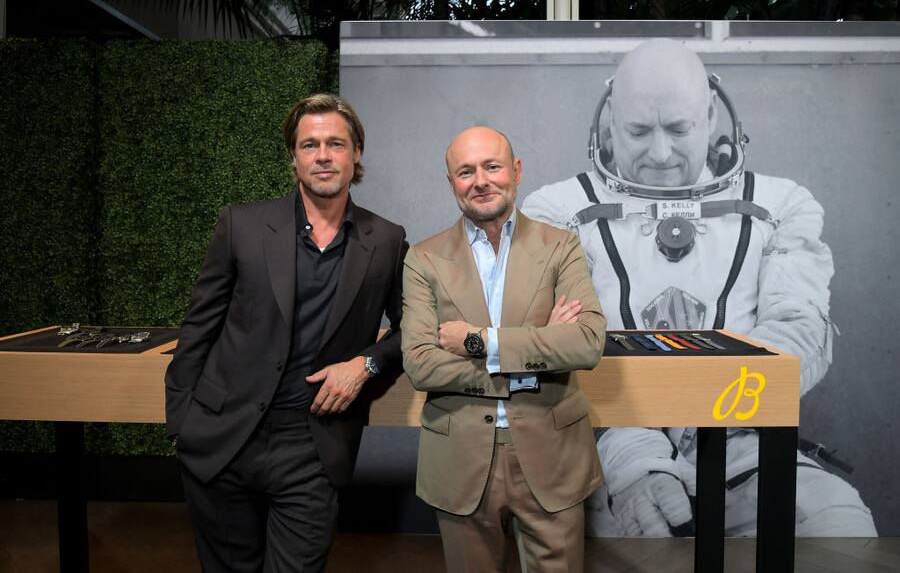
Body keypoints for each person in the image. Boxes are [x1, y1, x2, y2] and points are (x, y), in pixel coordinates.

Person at [522, 39, 876, 537]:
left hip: (741, 435)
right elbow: (556, 347)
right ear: (609, 123)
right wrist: (632, 452)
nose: (660, 152)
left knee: (837, 526)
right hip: (609, 440)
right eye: (638, 131)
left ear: (710, 115)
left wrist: (704, 412)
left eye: (679, 128)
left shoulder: (780, 206)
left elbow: (798, 332)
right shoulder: (556, 211)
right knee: (648, 541)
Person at [164, 93, 408, 571]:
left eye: (336, 143)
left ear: (356, 153)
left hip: (314, 444)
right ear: (294, 157)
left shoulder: (386, 239)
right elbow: (198, 328)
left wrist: (365, 364)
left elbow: (413, 327)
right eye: (309, 144)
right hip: (224, 437)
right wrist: (182, 425)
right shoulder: (242, 225)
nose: (323, 155)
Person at [401, 126, 607, 572]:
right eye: (465, 172)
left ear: (516, 171)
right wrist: (533, 361)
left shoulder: (561, 246)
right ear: (451, 182)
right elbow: (420, 365)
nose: (480, 181)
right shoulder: (423, 258)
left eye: (492, 167)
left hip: (553, 456)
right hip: (459, 460)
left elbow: (587, 342)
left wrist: (479, 342)